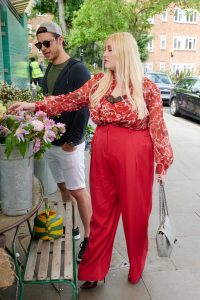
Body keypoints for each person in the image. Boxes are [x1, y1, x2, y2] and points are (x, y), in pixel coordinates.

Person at [10, 32, 173, 288]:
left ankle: (136, 265)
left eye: (110, 49)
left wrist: (162, 162)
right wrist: (34, 106)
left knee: (136, 213)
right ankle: (95, 269)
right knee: (102, 213)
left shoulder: (146, 87)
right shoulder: (98, 82)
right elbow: (69, 100)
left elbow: (158, 127)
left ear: (123, 52)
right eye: (105, 48)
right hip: (102, 149)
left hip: (135, 153)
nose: (105, 53)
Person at [34, 21, 92, 261]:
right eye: (39, 45)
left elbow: (84, 107)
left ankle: (90, 238)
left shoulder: (78, 70)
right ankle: (73, 226)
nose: (43, 48)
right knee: (63, 188)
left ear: (60, 40)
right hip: (52, 142)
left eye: (47, 43)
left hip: (69, 144)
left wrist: (74, 139)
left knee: (78, 190)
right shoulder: (48, 69)